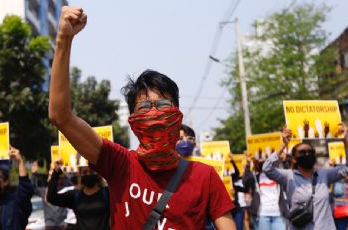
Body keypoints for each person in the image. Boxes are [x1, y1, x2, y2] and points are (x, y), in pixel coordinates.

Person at [48, 6, 236, 229]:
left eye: (163, 105)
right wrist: (63, 40)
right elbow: (61, 116)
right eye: (145, 106)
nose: (155, 113)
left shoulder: (205, 177)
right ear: (133, 121)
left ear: (177, 114)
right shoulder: (119, 163)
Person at [263, 123, 348, 229]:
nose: (307, 154)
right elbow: (267, 168)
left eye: (310, 152)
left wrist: (345, 140)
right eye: (302, 152)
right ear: (294, 158)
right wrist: (283, 145)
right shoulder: (288, 177)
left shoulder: (324, 174)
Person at [46, 159, 110, 230]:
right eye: (85, 173)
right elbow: (51, 198)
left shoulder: (107, 193)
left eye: (91, 172)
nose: (88, 174)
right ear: (80, 175)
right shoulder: (75, 196)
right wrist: (56, 172)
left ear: (98, 174)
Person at [242, 150, 287, 230]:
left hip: (278, 214)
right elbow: (245, 182)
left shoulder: (278, 174)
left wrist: (283, 160)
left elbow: (289, 174)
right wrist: (248, 165)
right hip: (262, 215)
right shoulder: (256, 177)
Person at [30, 161, 68, 230]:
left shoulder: (65, 189)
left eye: (53, 175)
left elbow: (70, 181)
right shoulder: (44, 191)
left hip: (63, 224)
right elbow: (31, 188)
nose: (51, 177)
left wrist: (61, 167)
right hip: (49, 225)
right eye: (50, 175)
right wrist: (33, 174)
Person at [229, 154, 251, 230]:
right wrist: (232, 161)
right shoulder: (234, 177)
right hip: (233, 206)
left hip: (242, 206)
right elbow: (236, 171)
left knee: (241, 225)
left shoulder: (246, 177)